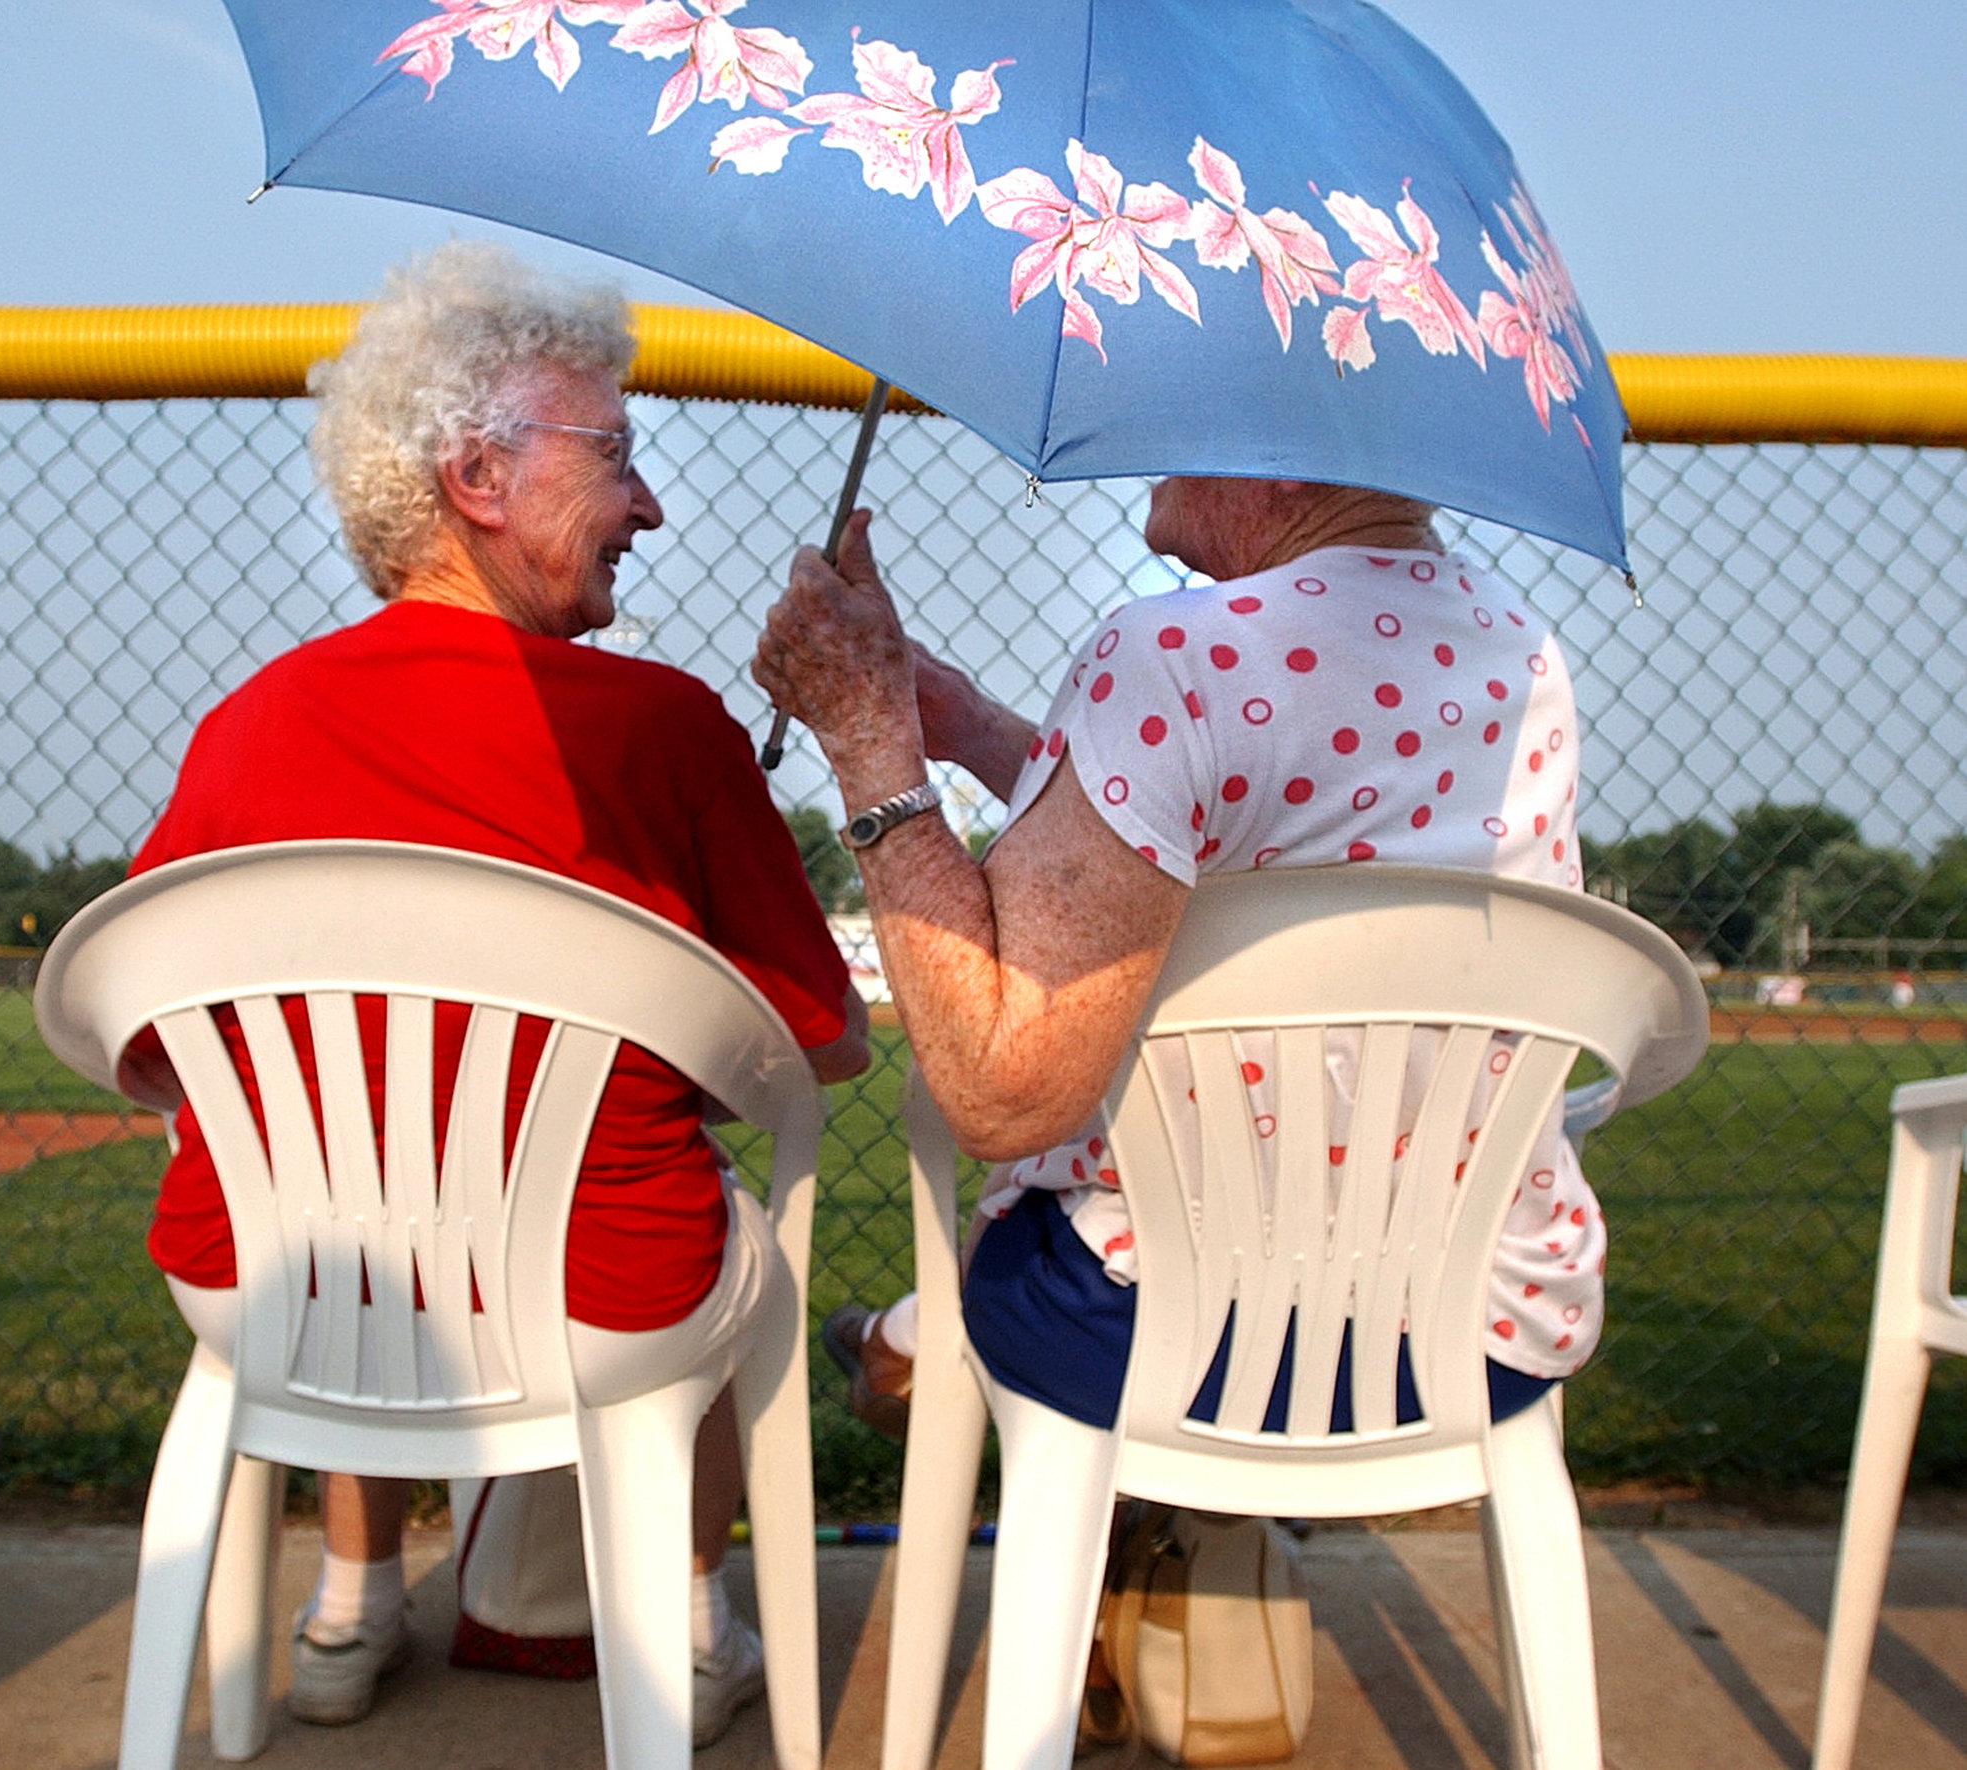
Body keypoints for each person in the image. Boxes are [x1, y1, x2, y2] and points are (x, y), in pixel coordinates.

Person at [130, 242, 870, 1743]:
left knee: (334, 1189)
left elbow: (145, 1048)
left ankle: (350, 1601)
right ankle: (692, 1615)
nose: (648, 503)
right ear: (476, 474)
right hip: (600, 1302)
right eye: (615, 454)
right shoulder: (667, 728)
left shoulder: (247, 727)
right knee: (736, 1231)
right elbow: (823, 1042)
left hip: (269, 1296)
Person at [757, 477, 1595, 1444]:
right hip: (1476, 1335)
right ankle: (1174, 1548)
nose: (1146, 458)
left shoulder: (1172, 656)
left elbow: (1000, 1095)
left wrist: (869, 740)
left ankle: (914, 1351)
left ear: (1280, 446)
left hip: (1168, 1334)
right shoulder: (1519, 648)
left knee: (1022, 1234)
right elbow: (1255, 836)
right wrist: (975, 728)